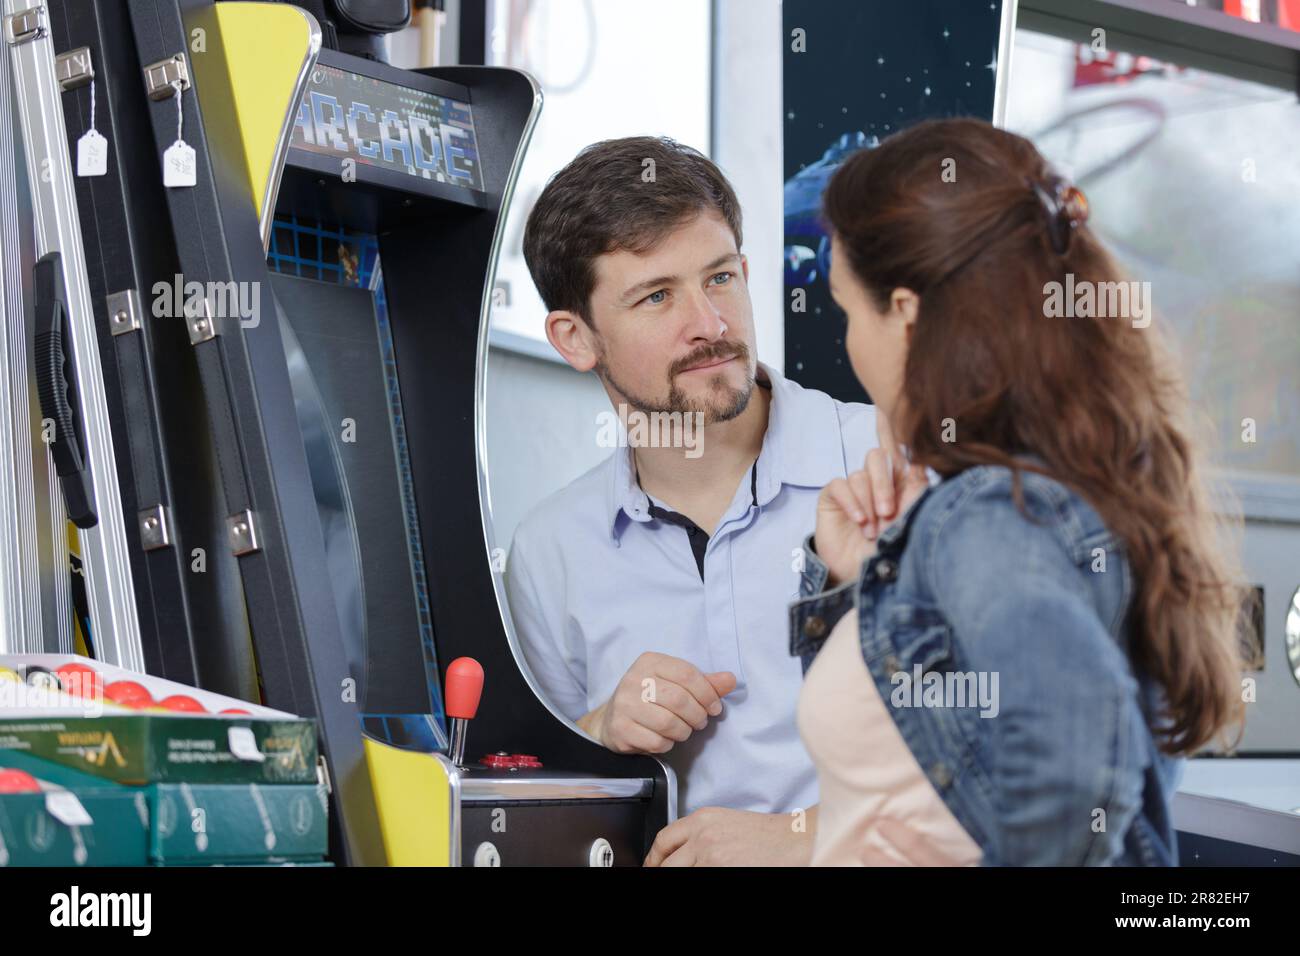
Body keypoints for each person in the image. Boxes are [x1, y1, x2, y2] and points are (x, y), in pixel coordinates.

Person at [790, 117, 1246, 865]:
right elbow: (912, 748)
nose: (847, 344)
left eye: (846, 311)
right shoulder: (1035, 502)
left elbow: (1074, 749)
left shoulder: (987, 517)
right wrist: (860, 578)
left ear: (904, 315)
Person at [505, 136, 898, 865]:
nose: (711, 325)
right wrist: (598, 729)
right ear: (575, 337)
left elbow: (1016, 747)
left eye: (719, 279)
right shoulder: (548, 549)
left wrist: (798, 840)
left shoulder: (893, 461)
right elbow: (543, 814)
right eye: (657, 296)